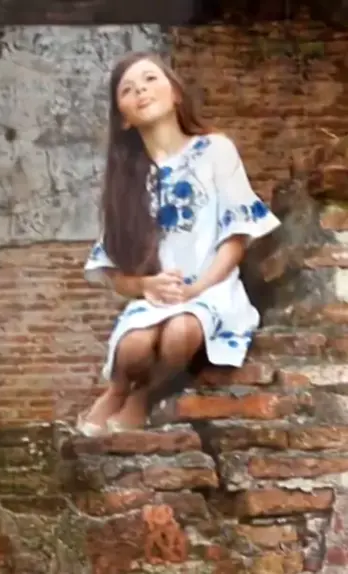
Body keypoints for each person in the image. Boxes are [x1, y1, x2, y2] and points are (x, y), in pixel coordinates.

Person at [77, 51, 280, 436]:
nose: (140, 90)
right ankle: (118, 388)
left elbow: (237, 234)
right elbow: (114, 273)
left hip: (212, 288)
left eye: (150, 79)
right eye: (127, 89)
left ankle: (143, 397)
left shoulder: (215, 150)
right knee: (134, 347)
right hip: (157, 297)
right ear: (123, 117)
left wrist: (198, 287)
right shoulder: (127, 179)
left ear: (176, 94)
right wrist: (146, 286)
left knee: (179, 333)